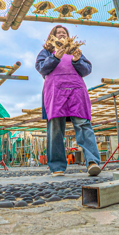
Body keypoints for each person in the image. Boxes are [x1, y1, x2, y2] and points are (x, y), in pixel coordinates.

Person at [36, 25, 102, 177]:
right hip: (55, 92)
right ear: (52, 36)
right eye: (58, 33)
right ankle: (57, 166)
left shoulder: (74, 50)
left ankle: (92, 162)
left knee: (83, 124)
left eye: (64, 33)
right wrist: (55, 58)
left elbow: (86, 69)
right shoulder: (46, 51)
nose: (61, 35)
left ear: (68, 36)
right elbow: (41, 68)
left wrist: (77, 60)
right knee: (55, 128)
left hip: (76, 91)